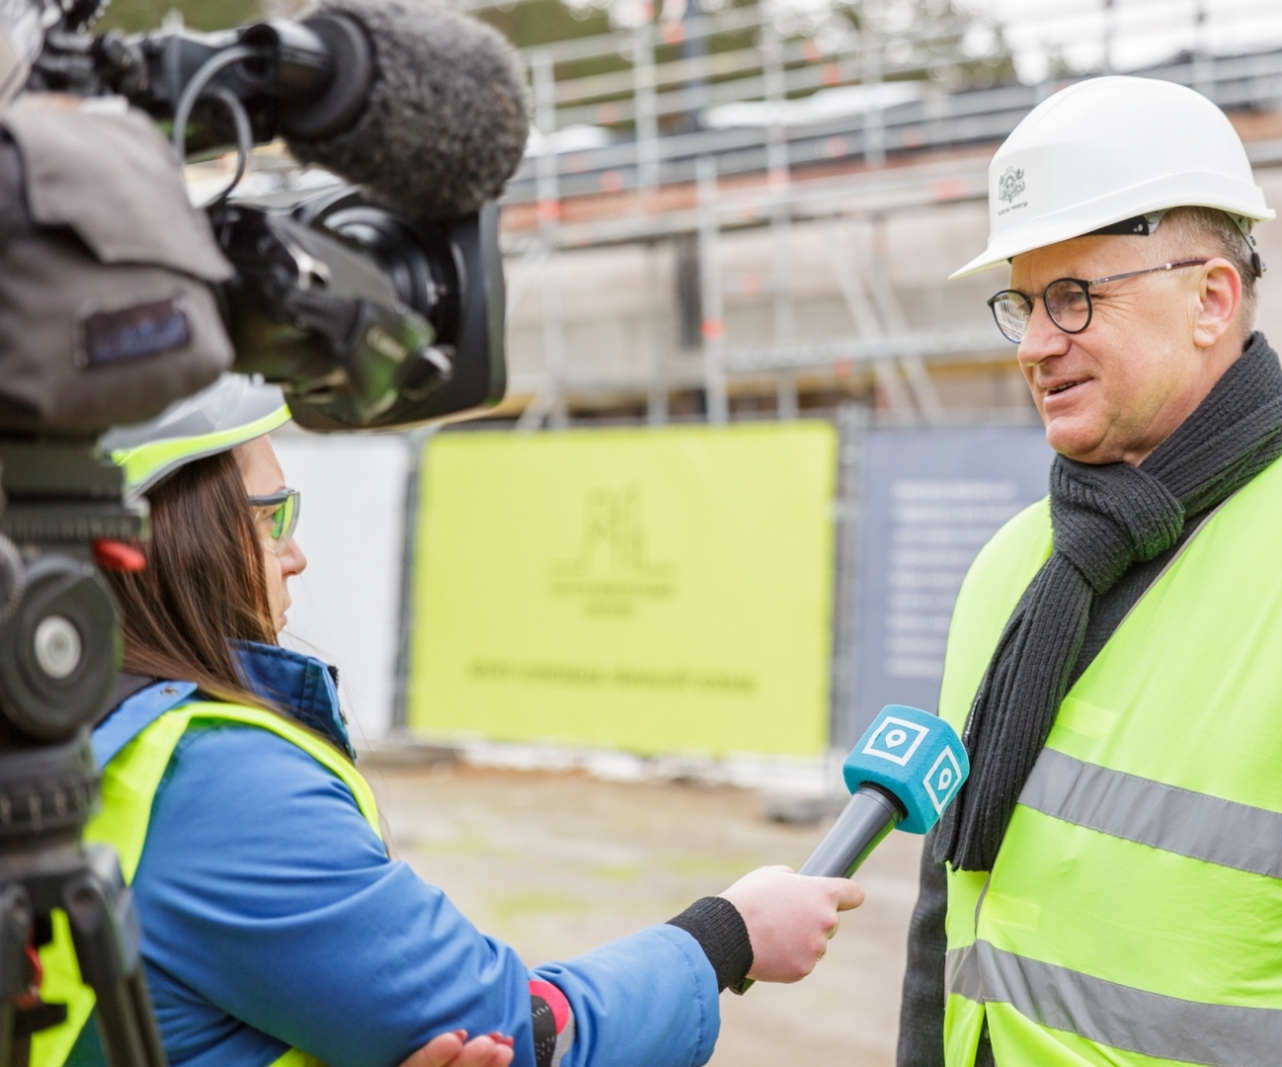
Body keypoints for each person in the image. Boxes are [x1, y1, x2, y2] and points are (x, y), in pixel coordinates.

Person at [895, 76, 1282, 1067]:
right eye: (1021, 302)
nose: (1032, 344)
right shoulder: (1009, 564)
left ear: (1210, 297)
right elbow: (948, 930)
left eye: (1071, 297)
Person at [35, 376, 864, 1067]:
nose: (295, 552)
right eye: (271, 514)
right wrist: (728, 934)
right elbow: (515, 1032)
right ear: (176, 537)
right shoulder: (218, 781)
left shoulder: (52, 739)